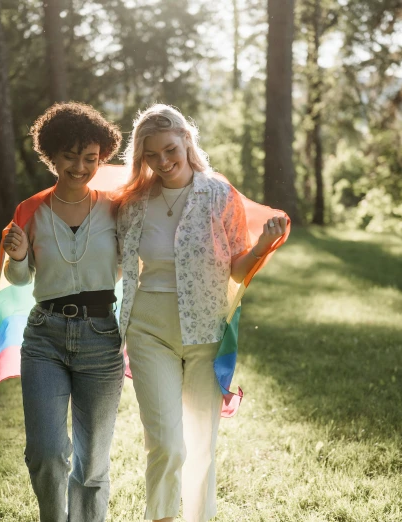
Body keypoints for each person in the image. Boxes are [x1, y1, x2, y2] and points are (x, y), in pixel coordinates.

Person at [114, 104, 287, 522]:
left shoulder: (218, 194)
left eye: (170, 149)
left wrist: (262, 245)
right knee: (165, 443)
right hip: (148, 328)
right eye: (150, 156)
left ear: (187, 141)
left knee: (200, 445)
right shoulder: (134, 201)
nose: (162, 162)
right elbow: (115, 263)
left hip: (206, 331)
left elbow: (237, 268)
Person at [2, 102, 124, 522]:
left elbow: (138, 261)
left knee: (91, 464)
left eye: (90, 158)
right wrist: (17, 257)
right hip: (44, 338)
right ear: (51, 155)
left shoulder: (116, 209)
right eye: (70, 156)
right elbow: (19, 280)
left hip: (101, 338)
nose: (80, 166)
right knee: (47, 451)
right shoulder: (30, 210)